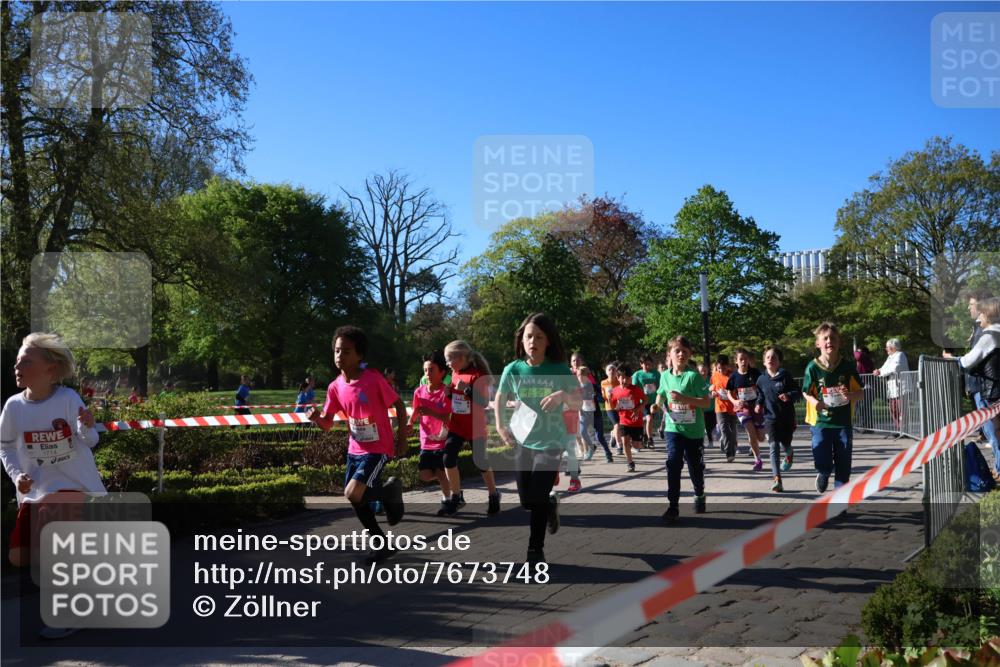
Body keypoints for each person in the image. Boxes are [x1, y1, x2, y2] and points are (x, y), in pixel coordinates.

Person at [1, 334, 106, 641]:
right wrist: (17, 475)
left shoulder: (68, 399)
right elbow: (5, 446)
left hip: (74, 486)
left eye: (26, 360)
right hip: (36, 491)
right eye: (18, 360)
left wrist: (87, 424)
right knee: (20, 557)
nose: (18, 365)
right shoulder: (13, 407)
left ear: (50, 369)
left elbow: (91, 440)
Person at [307, 326, 408, 564]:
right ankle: (381, 544)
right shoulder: (335, 387)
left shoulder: (373, 379)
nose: (340, 356)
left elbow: (400, 406)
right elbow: (327, 425)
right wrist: (316, 418)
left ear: (360, 355)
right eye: (337, 351)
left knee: (353, 492)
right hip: (355, 449)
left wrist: (401, 437)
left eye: (347, 351)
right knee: (355, 498)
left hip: (378, 447)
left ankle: (389, 491)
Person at [495, 313, 580, 564]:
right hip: (524, 439)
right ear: (522, 340)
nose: (533, 341)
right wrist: (500, 425)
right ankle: (550, 505)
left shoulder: (560, 370)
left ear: (548, 341)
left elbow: (578, 401)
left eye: (539, 337)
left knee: (537, 495)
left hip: (551, 442)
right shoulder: (514, 369)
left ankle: (535, 549)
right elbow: (500, 396)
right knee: (527, 500)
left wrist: (562, 395)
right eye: (528, 336)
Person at [655, 336, 713, 522]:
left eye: (684, 352)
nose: (680, 354)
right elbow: (661, 395)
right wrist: (655, 405)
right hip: (673, 428)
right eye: (677, 351)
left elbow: (705, 402)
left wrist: (684, 399)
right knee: (673, 463)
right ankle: (673, 506)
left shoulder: (694, 377)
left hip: (694, 432)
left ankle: (699, 493)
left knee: (695, 467)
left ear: (689, 355)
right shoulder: (664, 376)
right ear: (669, 354)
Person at [802, 322, 865, 492]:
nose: (829, 341)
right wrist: (816, 403)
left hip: (843, 423)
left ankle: (839, 502)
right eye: (825, 338)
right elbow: (805, 392)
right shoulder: (813, 368)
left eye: (833, 338)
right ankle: (823, 472)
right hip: (821, 423)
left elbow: (861, 392)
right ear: (818, 344)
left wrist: (851, 395)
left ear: (839, 342)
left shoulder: (847, 366)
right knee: (822, 458)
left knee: (844, 465)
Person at [441, 340, 500, 516]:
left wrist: (467, 390)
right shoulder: (454, 373)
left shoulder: (477, 375)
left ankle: (493, 494)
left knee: (481, 462)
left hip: (475, 427)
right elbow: (457, 402)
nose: (447, 363)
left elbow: (483, 402)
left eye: (449, 359)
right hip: (458, 425)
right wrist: (449, 394)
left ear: (460, 358)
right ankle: (456, 496)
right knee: (447, 458)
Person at [944, 295, 1000, 480]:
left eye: (981, 314)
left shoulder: (990, 335)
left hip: (992, 390)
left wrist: (952, 359)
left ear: (988, 314)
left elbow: (968, 361)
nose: (979, 318)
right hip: (994, 388)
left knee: (995, 434)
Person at [409, 350, 454, 514]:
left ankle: (447, 501)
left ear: (442, 372)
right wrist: (409, 423)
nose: (427, 373)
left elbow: (447, 417)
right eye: (425, 370)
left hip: (442, 440)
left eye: (431, 370)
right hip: (426, 441)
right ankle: (450, 482)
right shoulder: (418, 392)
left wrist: (431, 412)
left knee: (441, 473)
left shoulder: (446, 393)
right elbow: (415, 411)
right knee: (425, 476)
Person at [756, 346, 802, 492]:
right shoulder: (761, 379)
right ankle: (777, 479)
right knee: (773, 446)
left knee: (785, 444)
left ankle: (789, 453)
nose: (771, 359)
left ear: (779, 362)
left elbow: (798, 392)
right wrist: (758, 404)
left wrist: (788, 395)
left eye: (774, 357)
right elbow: (760, 396)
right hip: (770, 418)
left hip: (787, 417)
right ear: (764, 362)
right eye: (768, 357)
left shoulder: (785, 376)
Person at [723, 348, 765, 471]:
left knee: (761, 437)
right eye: (741, 359)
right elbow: (729, 392)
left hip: (756, 407)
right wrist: (735, 401)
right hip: (742, 408)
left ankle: (754, 441)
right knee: (750, 432)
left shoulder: (755, 373)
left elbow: (762, 389)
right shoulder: (734, 377)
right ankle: (758, 460)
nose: (743, 361)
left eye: (745, 359)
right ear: (736, 361)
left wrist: (760, 403)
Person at [571, 352, 613, 463]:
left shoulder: (592, 385)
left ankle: (608, 453)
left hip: (595, 413)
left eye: (580, 376)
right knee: (582, 431)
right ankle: (590, 448)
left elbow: (601, 398)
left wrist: (597, 396)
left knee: (600, 437)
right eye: (578, 376)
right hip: (584, 413)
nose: (578, 377)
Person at [610, 364, 646, 473]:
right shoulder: (615, 391)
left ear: (631, 378)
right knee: (625, 442)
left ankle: (636, 439)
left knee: (637, 445)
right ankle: (630, 463)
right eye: (622, 377)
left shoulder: (635, 389)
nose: (625, 380)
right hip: (623, 421)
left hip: (636, 421)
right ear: (618, 378)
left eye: (628, 378)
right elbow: (613, 404)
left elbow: (645, 400)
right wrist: (615, 406)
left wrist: (637, 409)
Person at [873, 338, 909, 438]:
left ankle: (903, 430)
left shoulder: (900, 355)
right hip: (892, 389)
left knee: (902, 410)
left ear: (893, 347)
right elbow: (884, 367)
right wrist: (878, 371)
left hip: (901, 388)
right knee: (893, 409)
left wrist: (881, 372)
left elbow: (894, 368)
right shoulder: (890, 357)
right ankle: (898, 429)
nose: (886, 349)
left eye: (887, 347)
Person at [711, 355, 738, 463]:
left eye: (723, 368)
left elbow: (738, 389)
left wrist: (732, 394)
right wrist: (713, 392)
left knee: (733, 431)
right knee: (724, 429)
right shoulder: (715, 375)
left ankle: (731, 446)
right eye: (718, 368)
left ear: (727, 366)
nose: (720, 370)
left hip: (733, 407)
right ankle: (729, 453)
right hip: (720, 407)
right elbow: (713, 387)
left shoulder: (733, 375)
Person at [632, 355, 661, 449]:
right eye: (645, 364)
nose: (648, 366)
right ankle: (650, 439)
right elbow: (634, 389)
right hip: (643, 402)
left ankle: (644, 436)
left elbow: (660, 386)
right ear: (641, 364)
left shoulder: (656, 373)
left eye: (649, 364)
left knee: (647, 420)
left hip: (654, 401)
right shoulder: (637, 374)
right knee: (649, 419)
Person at [601, 362, 623, 455]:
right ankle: (619, 446)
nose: (611, 371)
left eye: (613, 369)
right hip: (609, 407)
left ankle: (613, 434)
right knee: (617, 425)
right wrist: (607, 396)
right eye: (609, 369)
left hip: (619, 406)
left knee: (619, 426)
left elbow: (622, 393)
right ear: (606, 372)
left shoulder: (619, 382)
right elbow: (603, 396)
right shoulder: (603, 382)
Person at [853, 345, 875, 432]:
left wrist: (855, 350)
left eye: (859, 351)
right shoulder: (863, 360)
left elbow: (858, 356)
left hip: (867, 387)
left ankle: (868, 427)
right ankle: (864, 426)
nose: (857, 354)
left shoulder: (866, 358)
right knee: (860, 407)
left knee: (865, 407)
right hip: (861, 387)